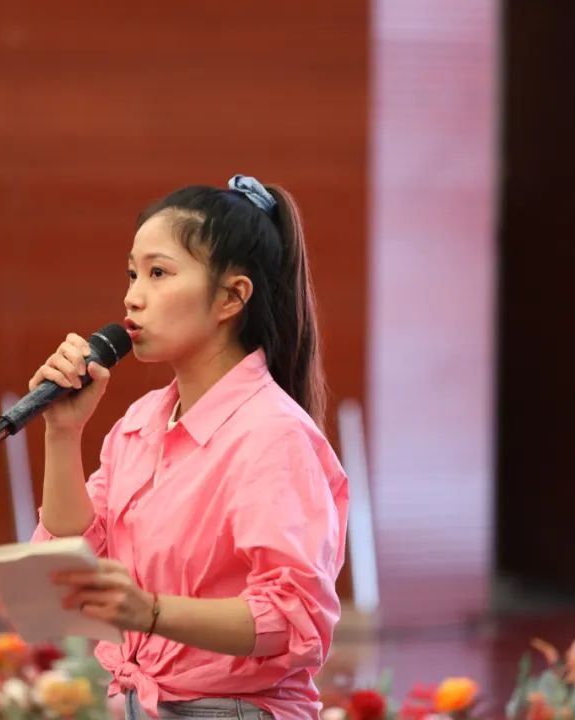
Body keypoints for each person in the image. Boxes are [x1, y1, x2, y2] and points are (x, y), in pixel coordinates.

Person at [30, 174, 349, 720]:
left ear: (231, 297)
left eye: (158, 273)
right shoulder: (140, 422)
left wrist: (151, 611)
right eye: (133, 273)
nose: (133, 296)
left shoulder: (272, 435)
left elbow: (293, 617)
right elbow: (76, 560)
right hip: (137, 704)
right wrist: (62, 433)